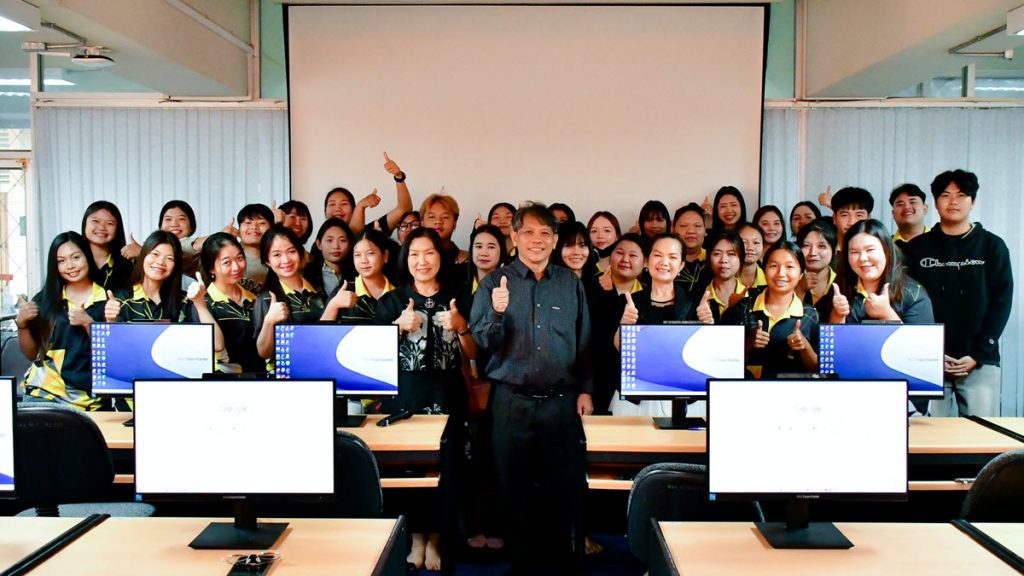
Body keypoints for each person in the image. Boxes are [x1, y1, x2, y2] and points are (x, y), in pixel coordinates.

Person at [470, 203, 592, 576]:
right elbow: (482, 342)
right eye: (528, 232)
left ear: (554, 240)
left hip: (561, 403)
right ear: (514, 237)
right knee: (514, 489)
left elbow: (584, 342)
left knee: (560, 487)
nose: (536, 240)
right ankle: (522, 566)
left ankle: (559, 566)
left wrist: (586, 390)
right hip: (511, 402)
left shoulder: (570, 283)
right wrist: (496, 312)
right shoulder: (494, 283)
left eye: (544, 233)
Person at [375, 227, 475, 572]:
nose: (422, 261)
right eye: (415, 254)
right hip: (406, 396)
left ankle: (437, 539)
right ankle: (417, 538)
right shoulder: (392, 300)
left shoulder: (459, 296)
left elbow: (475, 353)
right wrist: (397, 328)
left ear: (440, 257)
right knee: (412, 468)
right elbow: (374, 359)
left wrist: (461, 326)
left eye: (429, 253)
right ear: (406, 259)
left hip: (448, 393)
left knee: (448, 467)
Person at [904, 170, 1013, 417]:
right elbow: (906, 303)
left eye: (961, 195)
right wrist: (927, 353)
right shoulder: (917, 248)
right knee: (925, 433)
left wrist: (978, 354)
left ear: (972, 201)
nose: (953, 201)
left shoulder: (992, 246)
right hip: (927, 361)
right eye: (945, 195)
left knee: (981, 433)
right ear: (935, 202)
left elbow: (1002, 302)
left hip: (979, 360)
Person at [17, 231, 107, 410]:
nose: (70, 266)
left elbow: (113, 356)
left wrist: (89, 324)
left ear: (87, 256)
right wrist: (22, 325)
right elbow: (31, 354)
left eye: (76, 257)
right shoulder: (44, 300)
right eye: (61, 261)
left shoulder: (108, 300)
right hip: (44, 393)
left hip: (91, 399)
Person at [612, 234, 697, 416]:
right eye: (658, 255)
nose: (664, 262)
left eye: (672, 257)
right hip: (636, 397)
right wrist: (624, 324)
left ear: (681, 265)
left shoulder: (694, 304)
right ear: (647, 260)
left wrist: (708, 325)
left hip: (682, 397)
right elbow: (618, 348)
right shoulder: (628, 302)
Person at [724, 242, 819, 379]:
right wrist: (748, 343)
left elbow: (818, 371)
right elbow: (723, 362)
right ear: (764, 270)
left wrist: (805, 347)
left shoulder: (810, 314)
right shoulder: (742, 309)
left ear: (801, 274)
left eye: (790, 267)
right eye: (774, 266)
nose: (781, 274)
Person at [251, 226, 333, 364]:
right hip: (286, 372)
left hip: (321, 366)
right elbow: (264, 352)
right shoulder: (267, 298)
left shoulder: (318, 291)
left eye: (291, 251)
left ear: (300, 253)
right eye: (277, 255)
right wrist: (269, 321)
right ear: (267, 261)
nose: (286, 260)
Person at [191, 233, 264, 374]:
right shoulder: (203, 301)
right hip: (222, 379)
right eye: (227, 262)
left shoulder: (254, 299)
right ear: (211, 268)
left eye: (240, 258)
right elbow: (216, 346)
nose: (236, 267)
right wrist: (200, 305)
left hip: (256, 377)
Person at [326, 152, 414, 236]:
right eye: (332, 204)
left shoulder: (373, 232)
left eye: (344, 204)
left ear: (354, 211)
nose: (337, 209)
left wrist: (398, 176)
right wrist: (360, 206)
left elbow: (404, 209)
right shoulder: (321, 240)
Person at [106, 231, 185, 323]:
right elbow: (114, 332)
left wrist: (198, 303)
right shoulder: (121, 299)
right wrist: (111, 321)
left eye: (169, 258)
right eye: (155, 254)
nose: (160, 262)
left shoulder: (185, 301)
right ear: (143, 256)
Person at [122, 200, 201, 280]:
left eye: (181, 219)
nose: (174, 224)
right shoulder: (149, 246)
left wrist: (142, 252)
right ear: (161, 226)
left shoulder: (197, 250)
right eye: (168, 219)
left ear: (191, 226)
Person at [338, 228, 395, 324]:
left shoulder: (398, 294)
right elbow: (321, 331)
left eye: (370, 253)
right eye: (357, 255)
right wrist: (333, 305)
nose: (363, 260)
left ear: (385, 255)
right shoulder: (343, 292)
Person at [80, 201, 132, 291]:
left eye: (110, 223)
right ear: (85, 223)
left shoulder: (128, 264)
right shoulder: (72, 261)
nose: (101, 227)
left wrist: (142, 252)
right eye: (95, 221)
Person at [796, 218, 838, 322]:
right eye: (806, 246)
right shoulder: (789, 280)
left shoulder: (842, 282)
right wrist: (800, 290)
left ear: (834, 251)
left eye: (821, 246)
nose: (813, 253)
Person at [703, 230, 749, 324]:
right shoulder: (698, 297)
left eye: (731, 254)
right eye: (717, 254)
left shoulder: (751, 297)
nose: (724, 260)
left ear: (741, 258)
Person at [420, 193, 468, 283]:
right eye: (432, 217)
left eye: (445, 217)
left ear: (455, 223)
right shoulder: (413, 260)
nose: (438, 221)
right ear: (422, 222)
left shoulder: (465, 262)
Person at [303, 218, 355, 296]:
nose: (336, 246)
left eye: (342, 240)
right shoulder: (308, 274)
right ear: (319, 244)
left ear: (350, 244)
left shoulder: (358, 272)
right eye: (329, 240)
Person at [234, 203, 274, 294]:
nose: (254, 227)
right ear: (238, 230)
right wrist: (221, 237)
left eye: (261, 223)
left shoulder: (277, 259)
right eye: (248, 223)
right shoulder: (226, 256)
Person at [737, 224, 767, 291]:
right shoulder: (725, 276)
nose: (750, 248)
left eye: (756, 243)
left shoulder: (768, 278)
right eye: (744, 242)